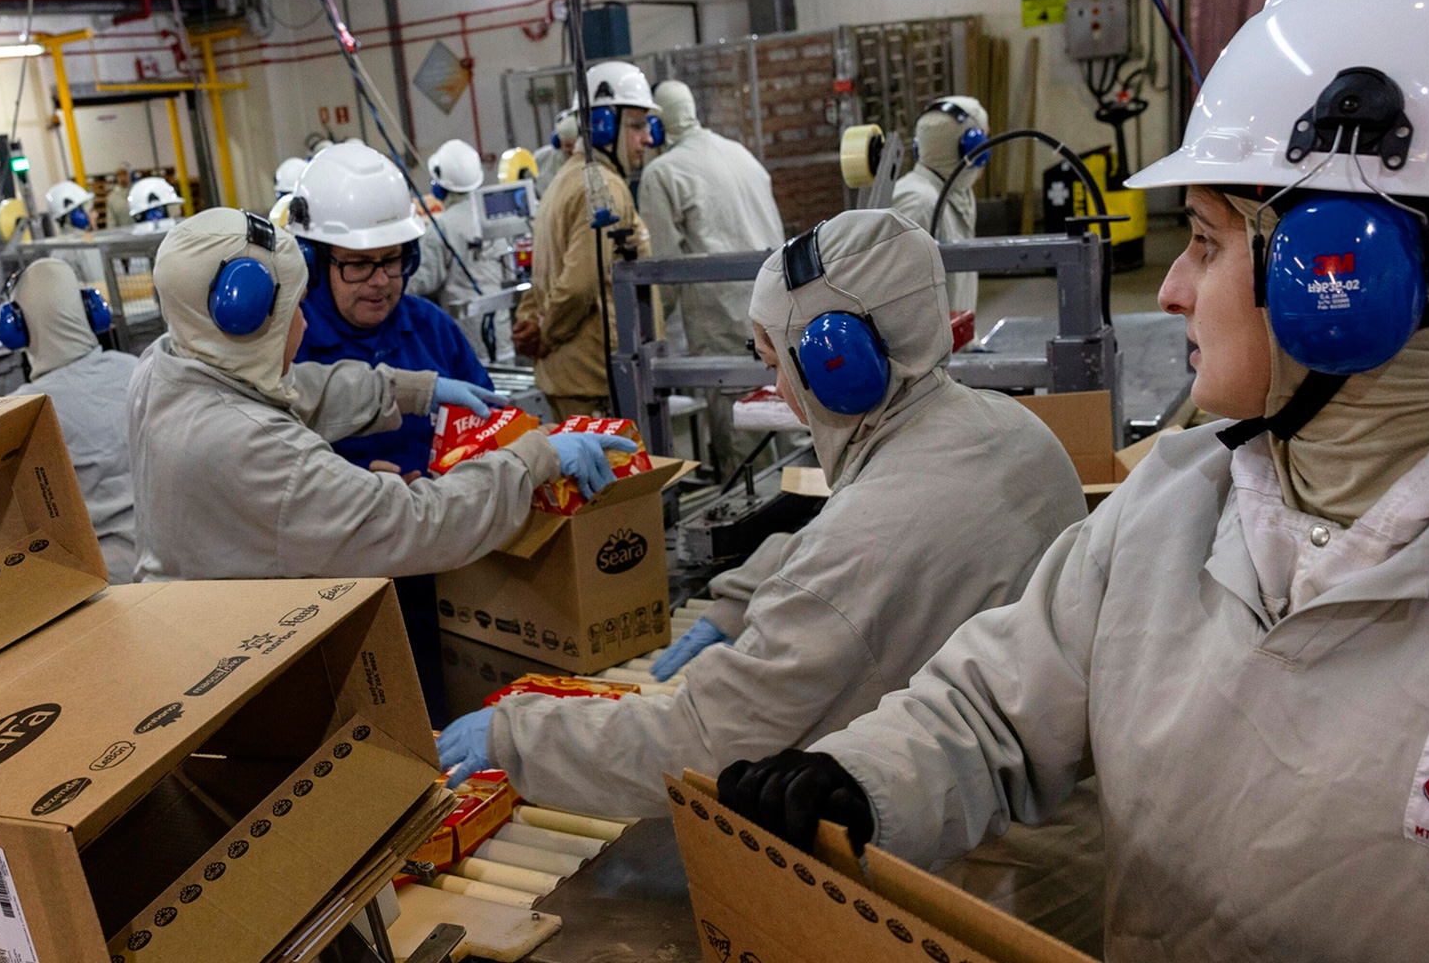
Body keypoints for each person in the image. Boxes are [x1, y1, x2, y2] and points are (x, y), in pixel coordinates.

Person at [718, 0, 1429, 963]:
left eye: (1202, 242)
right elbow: (994, 707)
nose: (1170, 292)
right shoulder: (1180, 497)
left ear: (1347, 268)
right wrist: (866, 781)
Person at [440, 211, 1092, 934]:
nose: (778, 387)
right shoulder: (1009, 429)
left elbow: (705, 740)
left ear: (838, 364)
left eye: (775, 360)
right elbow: (866, 540)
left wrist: (516, 736)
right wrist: (741, 598)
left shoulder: (867, 539)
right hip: (1069, 836)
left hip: (982, 893)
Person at [126, 206, 635, 584]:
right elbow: (416, 523)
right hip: (243, 669)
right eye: (293, 312)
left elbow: (296, 390)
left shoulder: (167, 365)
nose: (303, 322)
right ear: (245, 320)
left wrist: (407, 390)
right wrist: (532, 460)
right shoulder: (257, 449)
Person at [289, 141, 496, 722]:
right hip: (345, 598)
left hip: (446, 580)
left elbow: (489, 429)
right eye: (358, 264)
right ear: (313, 261)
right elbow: (276, 471)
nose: (381, 281)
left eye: (394, 260)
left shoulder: (432, 330)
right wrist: (359, 482)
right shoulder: (293, 349)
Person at [637, 79, 784, 476]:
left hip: (724, 331)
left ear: (655, 126)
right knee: (784, 436)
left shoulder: (661, 173)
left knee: (745, 461)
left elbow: (661, 271)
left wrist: (640, 336)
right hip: (778, 317)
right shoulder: (739, 153)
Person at [514, 61, 657, 419]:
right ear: (603, 126)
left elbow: (542, 275)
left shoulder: (563, 180)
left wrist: (535, 322)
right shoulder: (602, 188)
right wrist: (547, 334)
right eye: (637, 126)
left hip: (570, 377)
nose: (648, 138)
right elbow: (579, 284)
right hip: (596, 380)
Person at [0, 258, 139, 583]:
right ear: (90, 310)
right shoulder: (134, 368)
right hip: (172, 558)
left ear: (16, 327)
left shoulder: (24, 409)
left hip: (100, 578)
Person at [411, 138, 509, 362]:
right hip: (503, 335)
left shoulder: (441, 226)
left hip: (467, 340)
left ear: (439, 184)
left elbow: (423, 282)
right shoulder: (492, 214)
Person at [892, 95, 988, 312]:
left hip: (956, 341)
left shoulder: (957, 193)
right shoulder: (917, 203)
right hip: (932, 345)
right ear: (972, 148)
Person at [532, 109, 577, 197]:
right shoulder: (540, 158)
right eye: (568, 146)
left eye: (576, 145)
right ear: (558, 142)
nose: (573, 150)